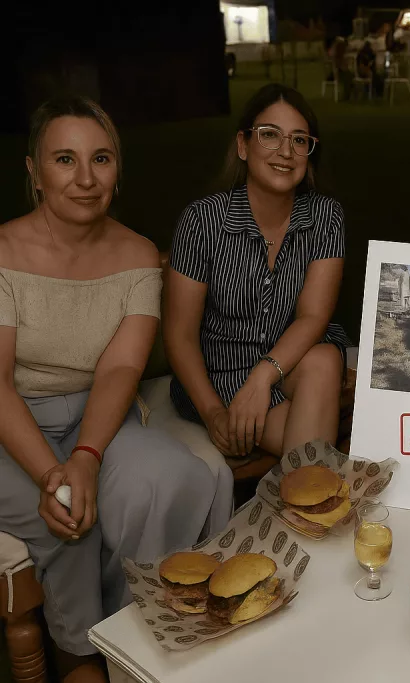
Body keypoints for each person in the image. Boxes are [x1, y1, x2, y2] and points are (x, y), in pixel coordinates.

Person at [0, 97, 221, 683]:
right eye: (65, 159)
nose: (86, 178)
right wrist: (56, 474)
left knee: (173, 476)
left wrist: (87, 456)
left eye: (100, 158)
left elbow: (121, 369)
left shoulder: (138, 255)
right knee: (69, 517)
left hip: (99, 416)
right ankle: (79, 656)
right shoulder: (2, 252)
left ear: (117, 168)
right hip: (10, 421)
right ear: (34, 172)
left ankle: (137, 633)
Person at [165, 84, 350, 463]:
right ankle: (312, 499)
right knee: (314, 454)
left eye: (299, 140)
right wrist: (214, 413)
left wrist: (263, 377)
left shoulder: (325, 216)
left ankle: (305, 501)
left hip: (291, 362)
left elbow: (314, 316)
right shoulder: (203, 220)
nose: (286, 151)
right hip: (220, 374)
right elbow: (179, 336)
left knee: (325, 359)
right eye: (269, 135)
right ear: (243, 145)